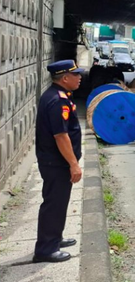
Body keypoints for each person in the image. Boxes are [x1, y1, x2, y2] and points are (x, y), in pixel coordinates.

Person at [33, 60, 84, 263]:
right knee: (54, 204)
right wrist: (73, 164)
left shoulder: (59, 95)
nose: (80, 77)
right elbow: (61, 136)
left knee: (59, 202)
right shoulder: (57, 100)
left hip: (55, 161)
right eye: (76, 75)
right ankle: (45, 250)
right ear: (64, 78)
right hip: (56, 162)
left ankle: (55, 238)